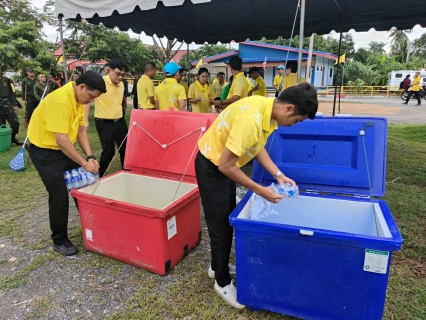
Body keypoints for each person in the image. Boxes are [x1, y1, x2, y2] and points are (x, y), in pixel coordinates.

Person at [195, 82, 318, 308]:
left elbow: (255, 146)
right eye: (296, 121)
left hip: (222, 164)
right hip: (213, 166)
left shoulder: (266, 109)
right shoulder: (251, 120)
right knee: (221, 225)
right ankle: (221, 282)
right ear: (289, 109)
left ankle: (216, 266)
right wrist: (261, 190)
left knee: (226, 218)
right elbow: (225, 166)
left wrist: (278, 175)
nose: (292, 125)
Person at [28, 71, 106, 256]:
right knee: (59, 195)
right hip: (45, 153)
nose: (90, 102)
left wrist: (90, 157)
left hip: (62, 150)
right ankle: (60, 240)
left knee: (88, 182)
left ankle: (94, 225)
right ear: (81, 87)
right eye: (91, 97)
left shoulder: (78, 99)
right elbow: (62, 140)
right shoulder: (61, 101)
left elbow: (81, 131)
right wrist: (83, 163)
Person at [94, 59, 129, 177]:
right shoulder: (100, 82)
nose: (120, 77)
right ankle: (99, 175)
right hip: (104, 123)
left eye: (123, 75)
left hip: (120, 122)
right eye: (118, 74)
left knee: (125, 148)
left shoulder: (121, 84)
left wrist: (123, 101)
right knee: (108, 152)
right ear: (109, 70)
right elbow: (88, 100)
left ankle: (127, 171)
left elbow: (120, 95)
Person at [0, 70, 23, 145]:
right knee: (1, 124)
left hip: (6, 102)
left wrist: (15, 104)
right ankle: (4, 140)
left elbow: (13, 92)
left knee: (15, 122)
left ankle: (12, 138)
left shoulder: (7, 80)